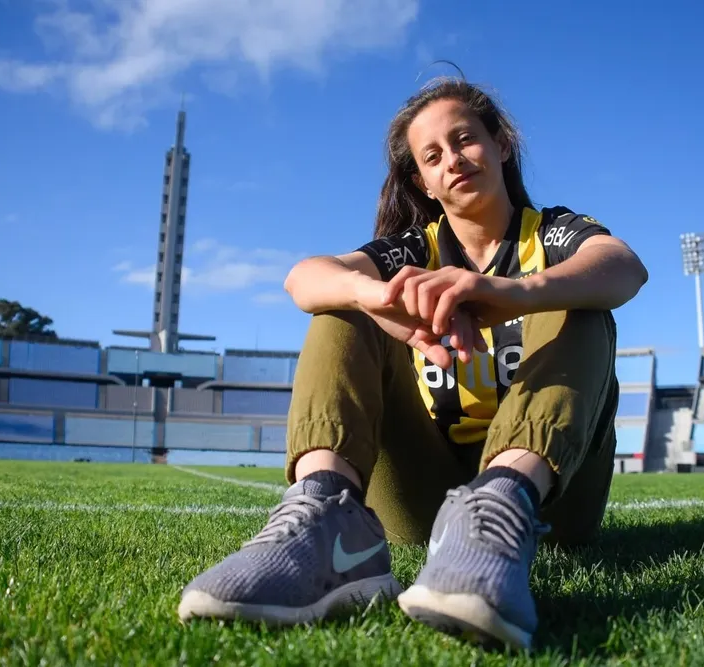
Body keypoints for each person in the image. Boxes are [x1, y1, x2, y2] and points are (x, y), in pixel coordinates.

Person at [177, 78, 648, 650]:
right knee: (342, 304)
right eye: (432, 155)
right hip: (422, 498)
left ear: (501, 145)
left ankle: (501, 504)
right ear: (421, 180)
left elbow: (623, 266)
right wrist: (377, 299)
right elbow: (302, 277)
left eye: (465, 139)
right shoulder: (412, 251)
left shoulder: (550, 231)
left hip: (552, 502)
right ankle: (326, 513)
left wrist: (518, 292)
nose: (453, 160)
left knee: (582, 302)